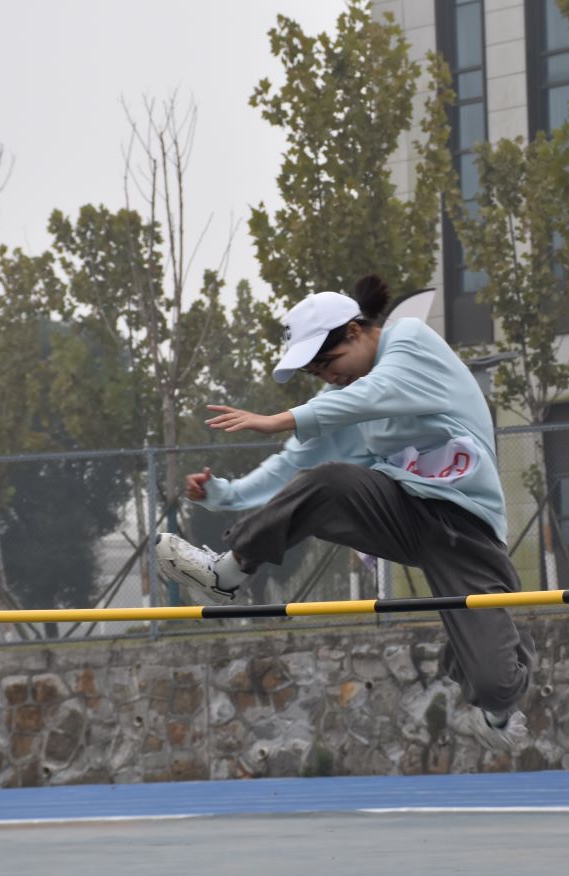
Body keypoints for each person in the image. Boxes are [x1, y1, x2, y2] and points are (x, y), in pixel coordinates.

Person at [154, 275, 533, 751]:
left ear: (356, 331)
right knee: (328, 482)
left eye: (330, 363)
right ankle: (227, 573)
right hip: (402, 512)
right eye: (318, 374)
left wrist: (281, 418)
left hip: (466, 525)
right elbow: (292, 465)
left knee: (495, 684)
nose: (329, 379)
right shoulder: (341, 399)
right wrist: (222, 494)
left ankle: (496, 702)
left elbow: (380, 390)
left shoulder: (410, 341)